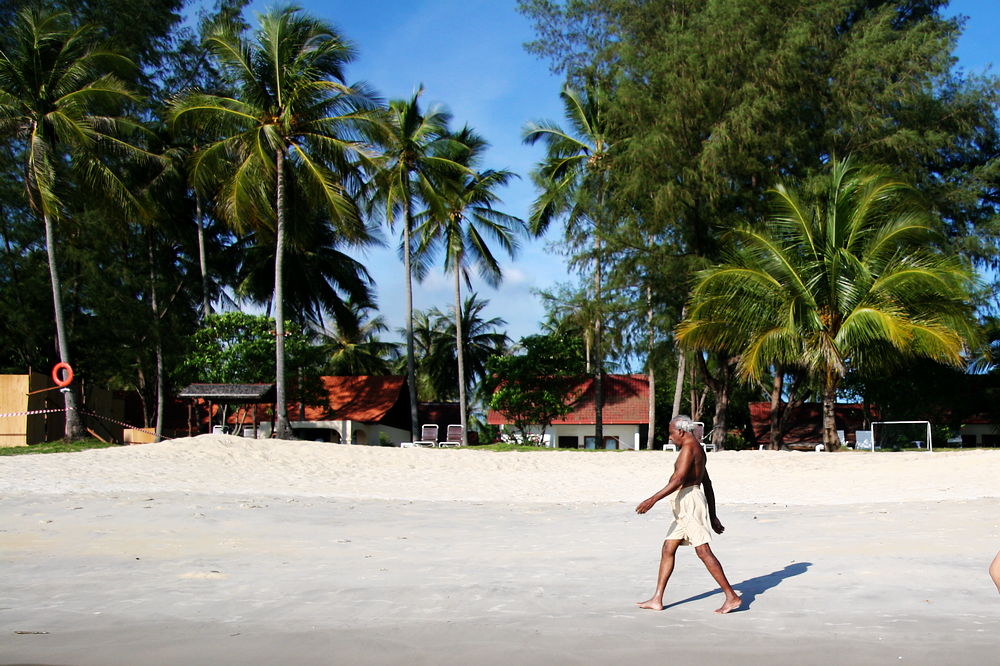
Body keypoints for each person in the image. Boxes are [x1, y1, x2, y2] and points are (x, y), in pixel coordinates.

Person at [636, 415, 742, 614]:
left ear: (681, 432)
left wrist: (652, 500)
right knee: (668, 548)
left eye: (671, 433)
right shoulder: (697, 448)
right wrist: (713, 515)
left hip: (689, 504)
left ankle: (732, 596)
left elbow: (678, 479)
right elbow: (707, 484)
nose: (670, 437)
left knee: (703, 551)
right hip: (685, 505)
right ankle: (657, 599)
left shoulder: (688, 448)